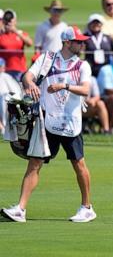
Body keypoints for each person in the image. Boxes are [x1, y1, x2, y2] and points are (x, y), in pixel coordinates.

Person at [0, 26, 96, 223]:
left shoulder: (82, 65)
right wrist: (30, 84)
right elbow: (28, 75)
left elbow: (86, 90)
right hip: (47, 121)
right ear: (67, 43)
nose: (82, 44)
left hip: (71, 122)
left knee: (78, 163)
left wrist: (64, 86)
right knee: (34, 163)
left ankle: (87, 208)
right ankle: (20, 209)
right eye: (78, 41)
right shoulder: (48, 58)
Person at [0, 9, 33, 81]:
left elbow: (30, 43)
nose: (9, 22)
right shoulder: (1, 35)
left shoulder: (20, 33)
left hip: (20, 70)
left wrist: (15, 31)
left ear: (15, 21)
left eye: (11, 20)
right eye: (6, 20)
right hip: (4, 70)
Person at [0, 57, 22, 135]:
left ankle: (6, 129)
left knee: (4, 98)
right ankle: (3, 129)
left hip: (7, 99)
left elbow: (15, 91)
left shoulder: (5, 76)